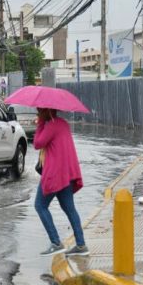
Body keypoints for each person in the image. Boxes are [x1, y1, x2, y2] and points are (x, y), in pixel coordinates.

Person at [33, 107, 89, 257]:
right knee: (70, 208)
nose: (37, 112)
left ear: (46, 111)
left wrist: (39, 124)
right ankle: (81, 245)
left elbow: (37, 143)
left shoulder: (50, 126)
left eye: (39, 110)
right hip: (67, 173)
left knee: (40, 205)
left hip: (55, 174)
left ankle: (56, 242)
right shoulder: (63, 123)